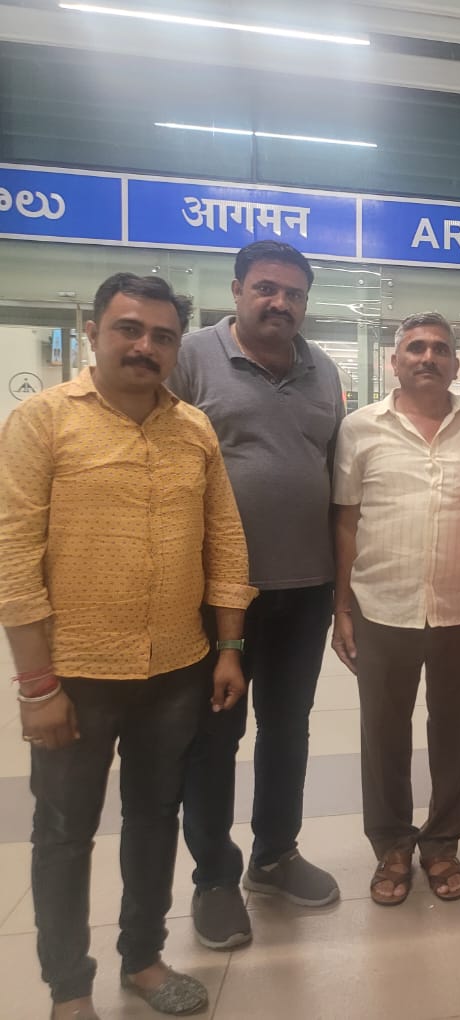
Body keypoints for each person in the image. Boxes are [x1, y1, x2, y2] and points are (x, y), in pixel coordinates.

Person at [0, 273, 255, 1019]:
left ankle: (142, 958)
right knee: (63, 833)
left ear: (177, 347)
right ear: (93, 332)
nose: (145, 346)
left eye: (162, 336)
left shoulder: (193, 428)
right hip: (75, 673)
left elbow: (225, 540)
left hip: (176, 667)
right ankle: (69, 990)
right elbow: (13, 556)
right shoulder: (43, 420)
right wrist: (37, 685)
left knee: (153, 818)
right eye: (129, 329)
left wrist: (229, 647)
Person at [170, 240, 346, 950]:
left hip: (305, 588)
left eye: (294, 294)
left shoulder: (322, 368)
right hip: (216, 593)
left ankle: (275, 855)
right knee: (215, 736)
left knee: (288, 727)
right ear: (237, 290)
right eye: (267, 288)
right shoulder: (192, 357)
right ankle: (214, 876)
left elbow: (332, 469)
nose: (281, 303)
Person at [331, 312, 460, 906]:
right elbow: (346, 520)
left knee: (456, 732)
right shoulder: (360, 429)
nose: (427, 357)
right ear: (395, 361)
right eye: (415, 348)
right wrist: (341, 607)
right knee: (383, 733)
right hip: (382, 606)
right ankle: (390, 844)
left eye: (439, 348)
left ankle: (442, 843)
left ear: (455, 364)